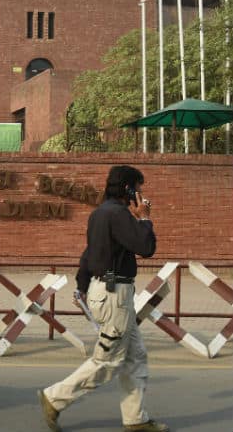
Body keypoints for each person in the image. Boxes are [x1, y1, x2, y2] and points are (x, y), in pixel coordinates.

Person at [38, 165, 168, 432]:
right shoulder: (119, 215)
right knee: (108, 360)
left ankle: (136, 419)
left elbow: (90, 253)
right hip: (114, 296)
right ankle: (54, 398)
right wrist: (144, 219)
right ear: (129, 189)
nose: (142, 194)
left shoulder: (100, 213)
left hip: (110, 293)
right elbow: (146, 248)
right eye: (139, 188)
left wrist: (81, 286)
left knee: (135, 357)